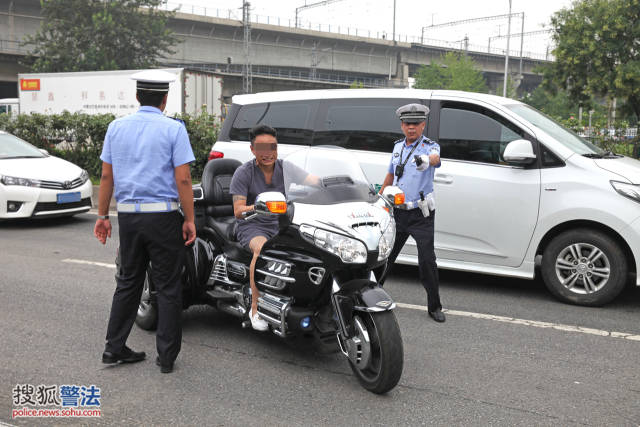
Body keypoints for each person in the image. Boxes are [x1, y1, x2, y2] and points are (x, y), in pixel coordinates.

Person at [94, 70, 197, 373]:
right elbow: (183, 179)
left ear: (138, 97)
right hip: (163, 216)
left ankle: (113, 349)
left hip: (128, 216)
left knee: (128, 282)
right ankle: (166, 358)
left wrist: (102, 216)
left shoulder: (116, 127)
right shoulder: (173, 129)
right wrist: (189, 219)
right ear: (165, 99)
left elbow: (106, 176)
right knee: (167, 286)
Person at [379, 103, 445, 323]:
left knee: (427, 261)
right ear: (402, 125)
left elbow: (435, 158)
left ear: (423, 125)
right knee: (384, 257)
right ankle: (371, 295)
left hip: (421, 214)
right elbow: (390, 175)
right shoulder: (397, 147)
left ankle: (435, 306)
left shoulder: (429, 147)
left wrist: (427, 161)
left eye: (416, 124)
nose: (411, 128)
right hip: (398, 212)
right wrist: (379, 200)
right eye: (407, 124)